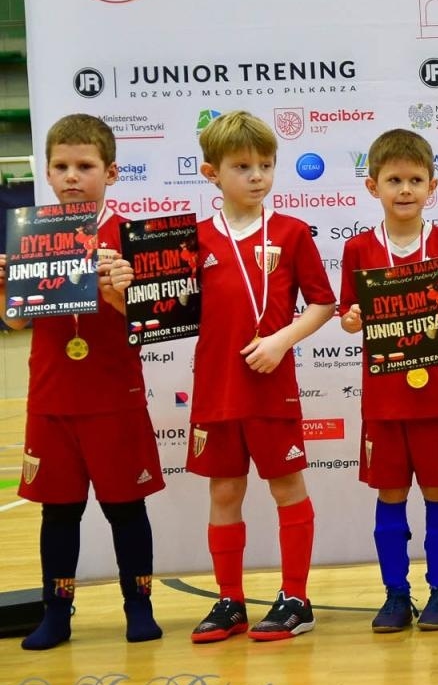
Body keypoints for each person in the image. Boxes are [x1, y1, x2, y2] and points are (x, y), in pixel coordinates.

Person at [5, 115, 163, 649]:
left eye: (85, 166)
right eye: (61, 166)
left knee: (125, 508)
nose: (73, 176)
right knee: (59, 510)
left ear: (111, 172)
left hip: (114, 396)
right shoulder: (32, 234)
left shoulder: (131, 238)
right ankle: (57, 612)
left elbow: (155, 323)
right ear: (46, 173)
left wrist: (122, 292)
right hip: (52, 396)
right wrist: (4, 288)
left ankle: (138, 605)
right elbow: (18, 321)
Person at [187, 111, 336, 642]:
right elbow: (167, 308)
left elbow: (323, 303)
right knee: (224, 491)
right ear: (212, 173)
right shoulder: (194, 238)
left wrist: (281, 340)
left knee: (286, 486)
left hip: (272, 386)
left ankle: (296, 597)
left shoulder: (291, 233)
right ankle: (229, 601)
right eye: (242, 166)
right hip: (215, 389)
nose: (257, 176)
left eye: (266, 165)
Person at [338, 129, 438, 633]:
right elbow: (349, 317)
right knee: (390, 494)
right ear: (372, 185)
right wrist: (352, 321)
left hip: (436, 392)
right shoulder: (357, 248)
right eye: (394, 179)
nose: (404, 189)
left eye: (415, 180)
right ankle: (396, 594)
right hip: (385, 396)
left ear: (432, 185)